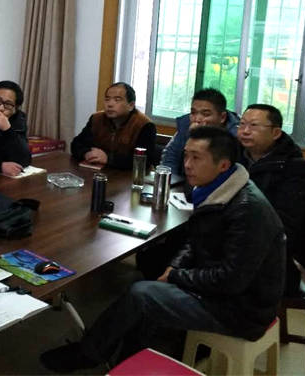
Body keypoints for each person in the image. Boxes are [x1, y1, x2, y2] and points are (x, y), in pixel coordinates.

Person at [40, 126, 285, 372]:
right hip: (224, 291)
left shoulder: (246, 210)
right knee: (150, 285)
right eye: (186, 155)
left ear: (223, 165)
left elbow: (231, 280)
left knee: (141, 295)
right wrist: (174, 268)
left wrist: (177, 276)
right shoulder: (218, 188)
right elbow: (195, 240)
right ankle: (125, 359)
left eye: (196, 158)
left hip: (242, 309)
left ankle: (89, 353)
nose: (187, 165)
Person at [237, 103, 305, 295]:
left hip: (271, 262)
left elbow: (285, 226)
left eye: (254, 126)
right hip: (238, 243)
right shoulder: (237, 156)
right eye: (242, 124)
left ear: (275, 133)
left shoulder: (295, 169)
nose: (245, 131)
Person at [70, 82, 156, 169]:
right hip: (100, 172)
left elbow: (145, 160)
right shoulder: (96, 119)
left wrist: (109, 159)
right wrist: (86, 153)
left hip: (129, 175)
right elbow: (76, 144)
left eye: (117, 100)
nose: (110, 104)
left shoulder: (144, 125)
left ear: (131, 105)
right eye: (107, 99)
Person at [160, 87, 240, 180]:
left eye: (206, 114)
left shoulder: (236, 136)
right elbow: (170, 157)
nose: (197, 119)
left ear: (222, 117)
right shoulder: (186, 126)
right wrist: (171, 182)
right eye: (193, 113)